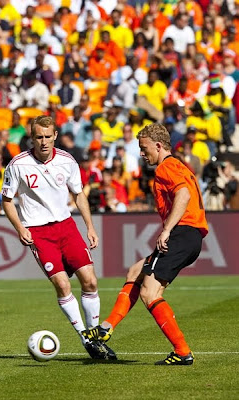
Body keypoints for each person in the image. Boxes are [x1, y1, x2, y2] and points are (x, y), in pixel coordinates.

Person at [83, 123, 208, 365]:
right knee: (135, 272)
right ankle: (106, 328)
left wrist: (167, 230)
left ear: (159, 146)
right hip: (189, 235)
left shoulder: (166, 167)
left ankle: (182, 351)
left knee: (150, 292)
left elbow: (183, 195)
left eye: (144, 148)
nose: (141, 153)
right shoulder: (177, 165)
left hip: (182, 233)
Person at [1, 115, 116, 360]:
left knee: (91, 282)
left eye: (47, 136)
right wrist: (20, 228)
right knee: (63, 285)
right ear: (32, 138)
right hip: (39, 233)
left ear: (55, 136)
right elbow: (7, 200)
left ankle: (95, 336)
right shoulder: (18, 164)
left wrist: (90, 226)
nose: (43, 142)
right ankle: (87, 338)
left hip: (66, 227)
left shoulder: (66, 160)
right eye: (38, 137)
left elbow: (79, 193)